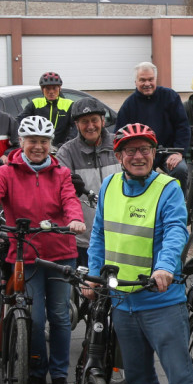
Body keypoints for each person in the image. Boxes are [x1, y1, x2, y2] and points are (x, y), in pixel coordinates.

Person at [83, 123, 193, 384]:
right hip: (122, 300)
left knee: (180, 379)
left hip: (161, 301)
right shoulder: (109, 186)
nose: (139, 156)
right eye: (131, 150)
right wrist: (93, 275)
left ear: (154, 154)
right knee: (137, 374)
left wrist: (166, 267)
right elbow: (99, 234)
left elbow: (176, 231)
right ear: (119, 155)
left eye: (145, 150)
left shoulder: (167, 187)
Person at [0, 116, 86, 384]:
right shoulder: (7, 172)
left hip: (60, 254)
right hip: (26, 254)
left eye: (43, 142)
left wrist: (75, 219)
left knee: (59, 316)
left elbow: (70, 200)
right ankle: (36, 371)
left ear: (50, 144)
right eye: (32, 141)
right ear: (21, 142)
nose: (38, 147)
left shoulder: (61, 172)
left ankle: (59, 374)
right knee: (34, 318)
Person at [56, 97, 120, 266]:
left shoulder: (119, 144)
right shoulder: (66, 153)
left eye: (94, 120)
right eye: (84, 122)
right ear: (76, 125)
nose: (90, 126)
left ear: (103, 121)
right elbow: (61, 192)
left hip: (120, 236)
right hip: (84, 239)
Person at [114, 61, 190, 183]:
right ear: (135, 82)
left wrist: (178, 152)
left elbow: (182, 126)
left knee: (180, 170)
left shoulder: (170, 97)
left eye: (150, 79)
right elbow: (119, 134)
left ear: (155, 79)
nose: (147, 84)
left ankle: (178, 196)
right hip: (141, 153)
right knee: (137, 178)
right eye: (142, 80)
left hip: (169, 151)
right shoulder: (129, 105)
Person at [16, 71, 75, 148]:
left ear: (60, 88)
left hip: (62, 148)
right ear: (42, 89)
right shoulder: (35, 103)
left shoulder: (69, 104)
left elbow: (76, 127)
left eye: (54, 88)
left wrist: (67, 143)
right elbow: (19, 121)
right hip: (40, 147)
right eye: (47, 88)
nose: (51, 92)